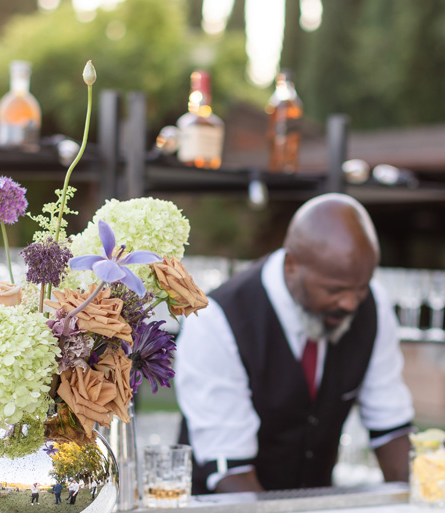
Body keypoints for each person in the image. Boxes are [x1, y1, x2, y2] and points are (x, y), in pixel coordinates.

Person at [175, 193, 415, 494]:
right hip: (221, 512)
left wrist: (422, 503)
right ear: (291, 265)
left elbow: (391, 427)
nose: (351, 303)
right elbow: (231, 473)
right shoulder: (218, 319)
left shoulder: (374, 306)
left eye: (361, 289)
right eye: (335, 290)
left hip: (314, 510)